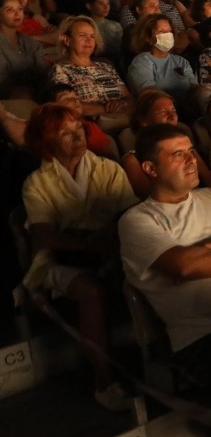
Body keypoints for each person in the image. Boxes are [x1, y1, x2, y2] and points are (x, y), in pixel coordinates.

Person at [118, 123, 211, 395]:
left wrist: (204, 249)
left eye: (190, 151)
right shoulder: (137, 220)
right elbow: (185, 266)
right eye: (178, 154)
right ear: (151, 169)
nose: (191, 159)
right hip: (208, 337)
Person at [22, 104, 139, 409]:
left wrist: (109, 237)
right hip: (62, 258)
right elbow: (44, 235)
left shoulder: (107, 168)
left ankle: (162, 361)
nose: (76, 136)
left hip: (111, 248)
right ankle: (104, 382)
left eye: (78, 129)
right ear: (45, 142)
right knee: (90, 290)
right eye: (65, 133)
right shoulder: (37, 182)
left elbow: (128, 213)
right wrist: (89, 246)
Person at [121, 89, 211, 198]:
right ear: (144, 120)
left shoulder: (186, 148)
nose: (172, 116)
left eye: (173, 111)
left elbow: (210, 182)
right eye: (163, 112)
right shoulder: (132, 160)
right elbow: (151, 199)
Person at [50, 15, 132, 118]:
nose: (89, 40)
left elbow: (129, 98)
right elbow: (66, 105)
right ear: (67, 40)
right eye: (82, 35)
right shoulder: (60, 69)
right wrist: (107, 109)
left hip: (124, 119)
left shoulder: (106, 66)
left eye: (92, 36)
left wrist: (123, 104)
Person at [126, 14, 197, 99]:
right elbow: (149, 93)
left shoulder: (181, 61)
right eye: (161, 32)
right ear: (148, 38)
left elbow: (195, 88)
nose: (168, 35)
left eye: (170, 31)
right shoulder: (142, 61)